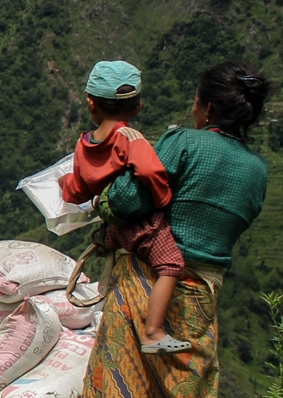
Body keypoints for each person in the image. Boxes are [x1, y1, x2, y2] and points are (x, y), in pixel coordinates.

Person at [84, 62, 270, 397]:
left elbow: (126, 201)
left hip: (146, 283)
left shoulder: (183, 142)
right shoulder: (257, 170)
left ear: (208, 108)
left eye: (196, 101)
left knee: (121, 383)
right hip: (201, 296)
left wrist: (104, 198)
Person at [57, 61, 186, 354]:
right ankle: (153, 333)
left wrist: (62, 182)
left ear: (91, 104)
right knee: (171, 265)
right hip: (144, 227)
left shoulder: (83, 145)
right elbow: (151, 173)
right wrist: (163, 200)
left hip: (114, 230)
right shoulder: (130, 139)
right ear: (137, 107)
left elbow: (76, 191)